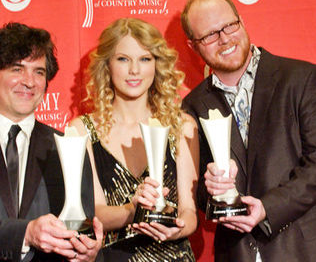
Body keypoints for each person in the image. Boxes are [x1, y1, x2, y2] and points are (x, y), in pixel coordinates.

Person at [181, 0, 316, 261]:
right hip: (236, 254)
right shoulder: (192, 105)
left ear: (241, 21)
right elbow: (197, 193)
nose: (224, 39)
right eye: (209, 35)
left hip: (303, 250)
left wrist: (268, 208)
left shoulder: (302, 79)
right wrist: (212, 189)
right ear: (192, 45)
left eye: (229, 26)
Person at [70, 17, 199, 262]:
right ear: (107, 64)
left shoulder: (181, 125)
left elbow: (190, 211)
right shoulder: (82, 131)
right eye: (123, 59)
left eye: (144, 59)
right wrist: (133, 210)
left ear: (156, 65)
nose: (134, 71)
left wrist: (177, 229)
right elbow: (93, 214)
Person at [0, 22, 103, 262]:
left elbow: (82, 231)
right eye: (17, 69)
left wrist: (87, 254)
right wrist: (24, 233)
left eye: (39, 72)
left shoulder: (67, 147)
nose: (29, 81)